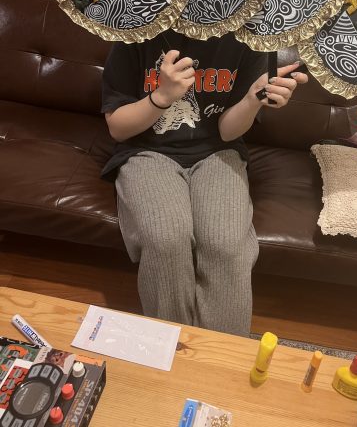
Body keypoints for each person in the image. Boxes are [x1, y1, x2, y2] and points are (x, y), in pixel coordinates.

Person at [101, 28, 308, 336]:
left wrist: (252, 99)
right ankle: (170, 348)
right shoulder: (138, 28)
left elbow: (227, 131)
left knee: (226, 245)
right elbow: (118, 128)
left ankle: (219, 356)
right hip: (146, 150)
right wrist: (161, 96)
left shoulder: (250, 37)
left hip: (219, 151)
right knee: (165, 239)